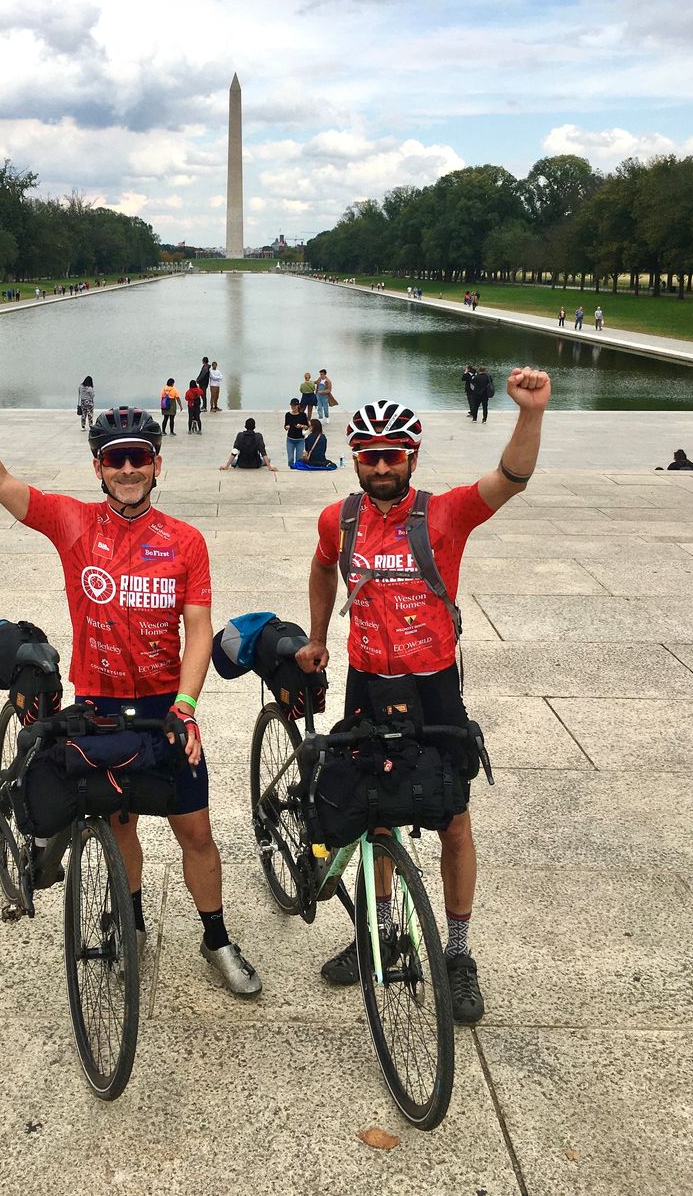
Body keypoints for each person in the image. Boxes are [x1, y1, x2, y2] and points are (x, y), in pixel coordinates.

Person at [0, 366, 262, 997]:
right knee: (120, 823)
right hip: (102, 704)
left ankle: (216, 935)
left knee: (196, 830)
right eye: (117, 461)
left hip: (168, 705)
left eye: (140, 458)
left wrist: (188, 707)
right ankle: (132, 918)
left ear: (157, 465)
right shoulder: (74, 524)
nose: (129, 469)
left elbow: (200, 632)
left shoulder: (186, 541)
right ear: (99, 469)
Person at [296, 377, 551, 1023]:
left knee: (455, 821)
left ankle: (458, 954)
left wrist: (531, 413)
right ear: (354, 456)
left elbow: (510, 478)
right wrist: (320, 636)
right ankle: (380, 933)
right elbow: (322, 565)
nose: (382, 465)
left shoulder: (446, 514)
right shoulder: (340, 518)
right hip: (366, 681)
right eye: (370, 454)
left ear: (412, 455)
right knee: (372, 814)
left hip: (432, 684)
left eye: (394, 453)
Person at [284, 398, 310, 467]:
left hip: (300, 440)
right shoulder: (288, 415)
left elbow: (307, 426)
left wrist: (301, 426)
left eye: (295, 406)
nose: (293, 407)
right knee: (290, 459)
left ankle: (297, 470)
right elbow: (285, 425)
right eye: (292, 406)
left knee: (299, 459)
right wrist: (287, 427)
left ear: (298, 406)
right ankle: (291, 468)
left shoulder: (303, 415)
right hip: (290, 439)